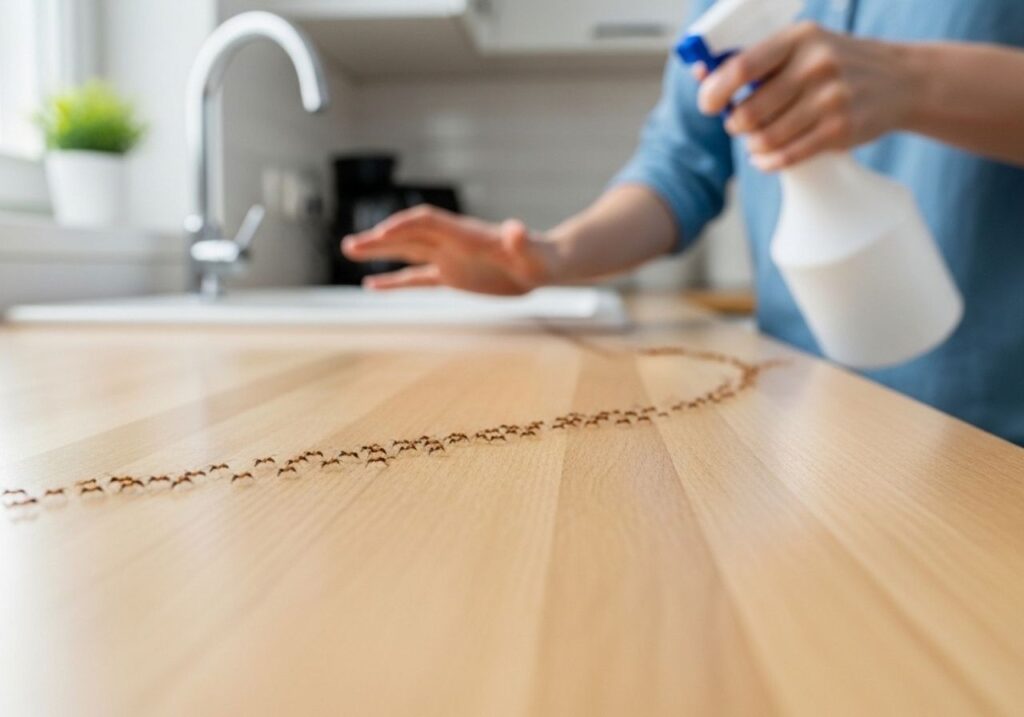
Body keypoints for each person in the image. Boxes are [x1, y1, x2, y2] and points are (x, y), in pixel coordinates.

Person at [342, 0, 1024, 447]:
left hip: (992, 423)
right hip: (806, 413)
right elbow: (679, 167)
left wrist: (916, 80)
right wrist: (551, 256)